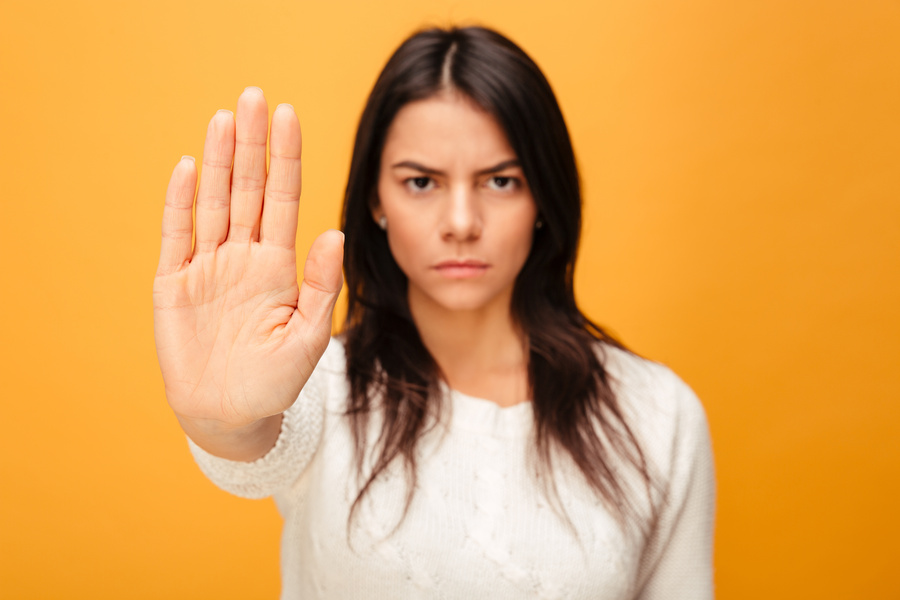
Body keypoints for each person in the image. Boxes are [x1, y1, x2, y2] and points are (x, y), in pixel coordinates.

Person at [153, 25, 715, 599]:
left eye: (501, 180)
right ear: (376, 198)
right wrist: (221, 421)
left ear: (543, 195)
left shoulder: (656, 414)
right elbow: (254, 438)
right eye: (421, 182)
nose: (463, 222)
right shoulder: (318, 383)